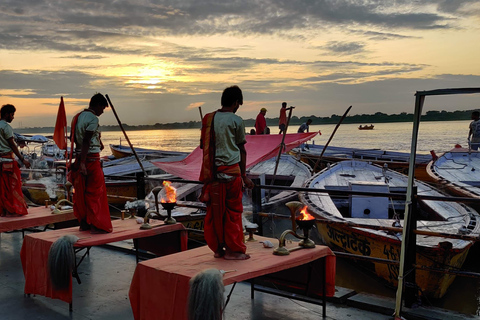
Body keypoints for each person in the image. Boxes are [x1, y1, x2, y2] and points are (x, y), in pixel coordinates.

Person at [199, 85, 254, 260]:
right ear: (236, 102)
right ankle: (233, 251)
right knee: (232, 212)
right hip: (232, 174)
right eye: (239, 104)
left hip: (213, 174)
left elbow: (203, 146)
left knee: (215, 212)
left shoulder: (208, 119)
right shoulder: (237, 120)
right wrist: (245, 176)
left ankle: (218, 250)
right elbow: (242, 150)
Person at [68, 93, 112, 233]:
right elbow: (87, 140)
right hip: (91, 160)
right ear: (98, 105)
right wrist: (82, 163)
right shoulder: (93, 118)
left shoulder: (77, 117)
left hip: (80, 156)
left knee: (81, 193)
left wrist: (80, 159)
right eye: (103, 108)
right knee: (95, 192)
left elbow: (73, 138)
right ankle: (96, 224)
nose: (102, 111)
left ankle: (84, 223)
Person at [0, 104, 31, 216]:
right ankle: (14, 210)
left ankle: (5, 211)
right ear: (6, 114)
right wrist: (23, 160)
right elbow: (12, 145)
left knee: (2, 189)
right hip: (8, 161)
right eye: (12, 115)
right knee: (13, 186)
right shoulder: (6, 127)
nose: (13, 117)